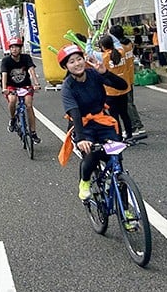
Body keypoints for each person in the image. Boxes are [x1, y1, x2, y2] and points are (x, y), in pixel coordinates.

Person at [57, 44, 129, 200]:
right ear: (65, 66)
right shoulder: (68, 87)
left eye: (79, 59)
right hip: (82, 125)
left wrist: (105, 72)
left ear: (84, 59)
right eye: (71, 62)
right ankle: (85, 181)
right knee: (91, 154)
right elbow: (75, 113)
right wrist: (82, 139)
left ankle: (127, 212)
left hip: (102, 121)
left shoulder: (93, 74)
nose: (77, 64)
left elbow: (122, 86)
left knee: (116, 159)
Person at [0, 37, 42, 144]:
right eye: (12, 47)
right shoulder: (6, 60)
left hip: (25, 85)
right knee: (12, 100)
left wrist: (36, 83)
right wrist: (4, 88)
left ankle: (33, 132)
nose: (14, 49)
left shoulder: (26, 58)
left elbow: (31, 70)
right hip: (11, 86)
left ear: (20, 48)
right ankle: (13, 118)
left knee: (28, 105)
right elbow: (4, 74)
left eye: (17, 47)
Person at [108, 24, 145, 137]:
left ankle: (135, 126)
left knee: (127, 104)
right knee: (130, 103)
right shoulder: (128, 44)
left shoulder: (119, 49)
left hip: (122, 78)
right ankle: (137, 124)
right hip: (129, 76)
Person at [98, 35, 133, 139]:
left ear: (103, 46)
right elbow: (117, 42)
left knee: (114, 116)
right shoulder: (121, 53)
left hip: (110, 91)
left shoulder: (102, 56)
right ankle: (129, 134)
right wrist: (110, 34)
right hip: (123, 89)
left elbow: (89, 51)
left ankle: (118, 137)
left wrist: (90, 38)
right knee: (125, 114)